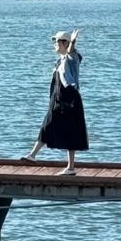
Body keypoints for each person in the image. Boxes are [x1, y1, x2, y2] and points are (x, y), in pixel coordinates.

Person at [21, 30, 88, 174]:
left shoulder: (72, 58)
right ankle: (32, 155)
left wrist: (73, 42)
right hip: (58, 99)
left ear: (64, 43)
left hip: (70, 99)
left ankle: (70, 167)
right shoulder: (60, 61)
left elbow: (71, 53)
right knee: (48, 125)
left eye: (57, 41)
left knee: (71, 131)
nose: (54, 44)